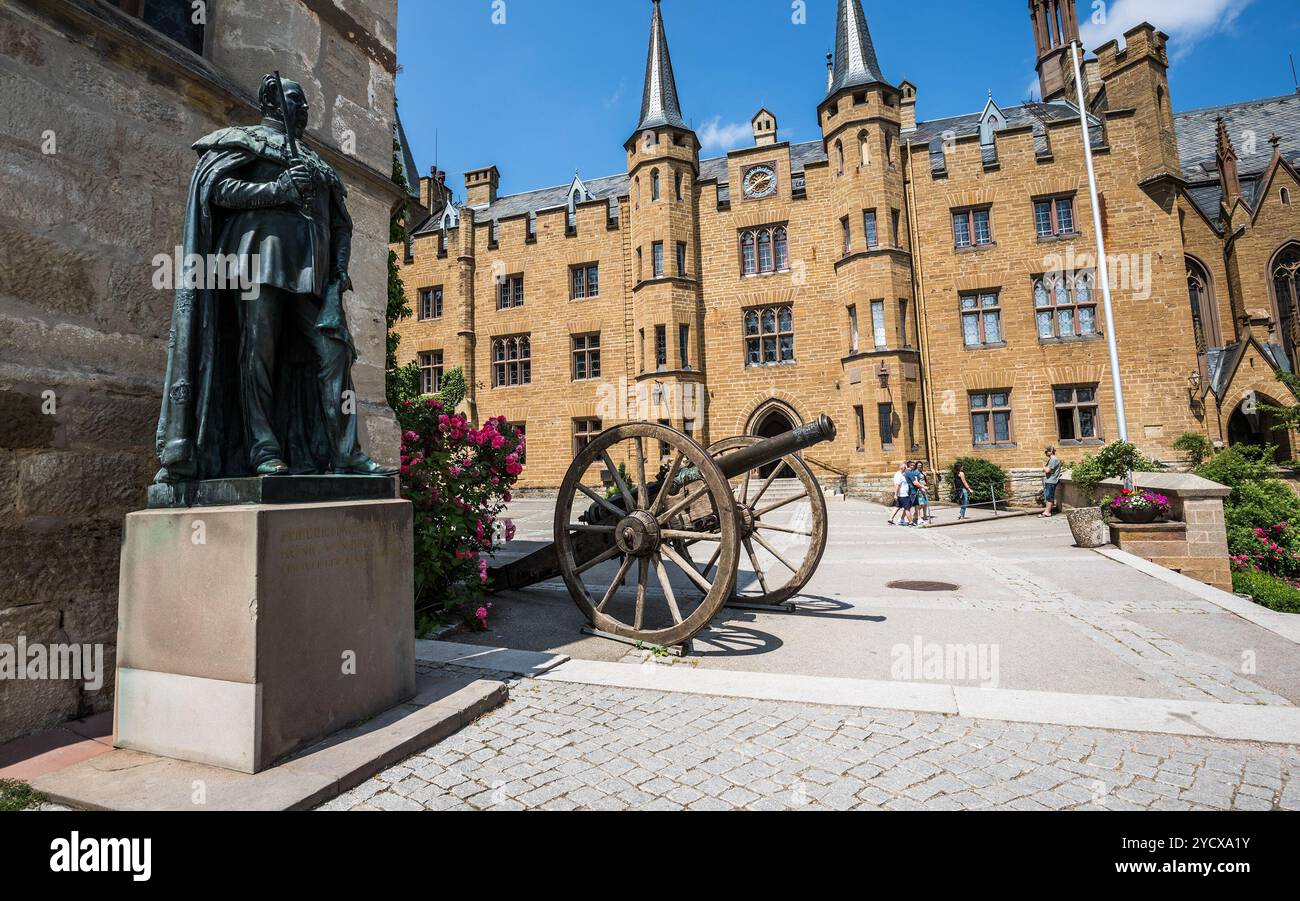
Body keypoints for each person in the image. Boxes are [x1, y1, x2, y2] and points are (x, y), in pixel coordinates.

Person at [1041, 446, 1063, 517]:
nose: (1045, 453)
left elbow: (1047, 470)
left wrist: (1044, 467)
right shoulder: (1051, 459)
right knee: (1048, 496)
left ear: (1050, 451)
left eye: (1046, 451)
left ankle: (1047, 512)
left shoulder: (1053, 459)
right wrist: (1045, 468)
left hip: (1051, 480)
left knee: (1049, 496)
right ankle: (1046, 511)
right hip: (1050, 480)